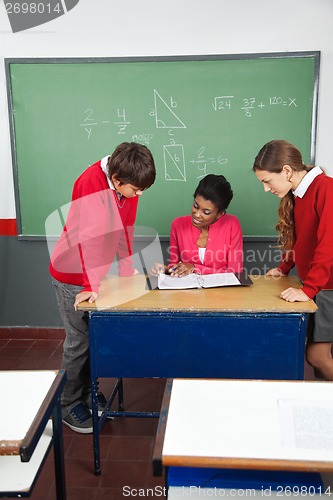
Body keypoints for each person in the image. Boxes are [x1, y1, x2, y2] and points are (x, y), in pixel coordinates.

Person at [49, 142, 156, 433]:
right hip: (73, 272)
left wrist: (124, 269)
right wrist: (90, 285)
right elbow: (91, 238)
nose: (140, 194)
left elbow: (126, 227)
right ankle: (66, 404)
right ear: (117, 181)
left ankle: (84, 393)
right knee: (78, 341)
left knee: (92, 337)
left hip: (93, 274)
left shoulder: (128, 178)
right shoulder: (90, 183)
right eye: (136, 190)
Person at [253, 139, 333, 380]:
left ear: (286, 171)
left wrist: (309, 289)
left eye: (267, 181)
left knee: (317, 356)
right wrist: (284, 267)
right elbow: (301, 239)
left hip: (328, 286)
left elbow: (328, 243)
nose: (266, 189)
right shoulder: (299, 193)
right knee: (314, 356)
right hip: (319, 285)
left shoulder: (326, 188)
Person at [152, 174, 243, 276]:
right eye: (196, 206)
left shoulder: (231, 224)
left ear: (220, 214)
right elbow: (175, 265)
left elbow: (235, 272)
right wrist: (166, 270)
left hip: (222, 291)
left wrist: (194, 268)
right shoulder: (178, 225)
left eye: (206, 212)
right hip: (188, 290)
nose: (197, 214)